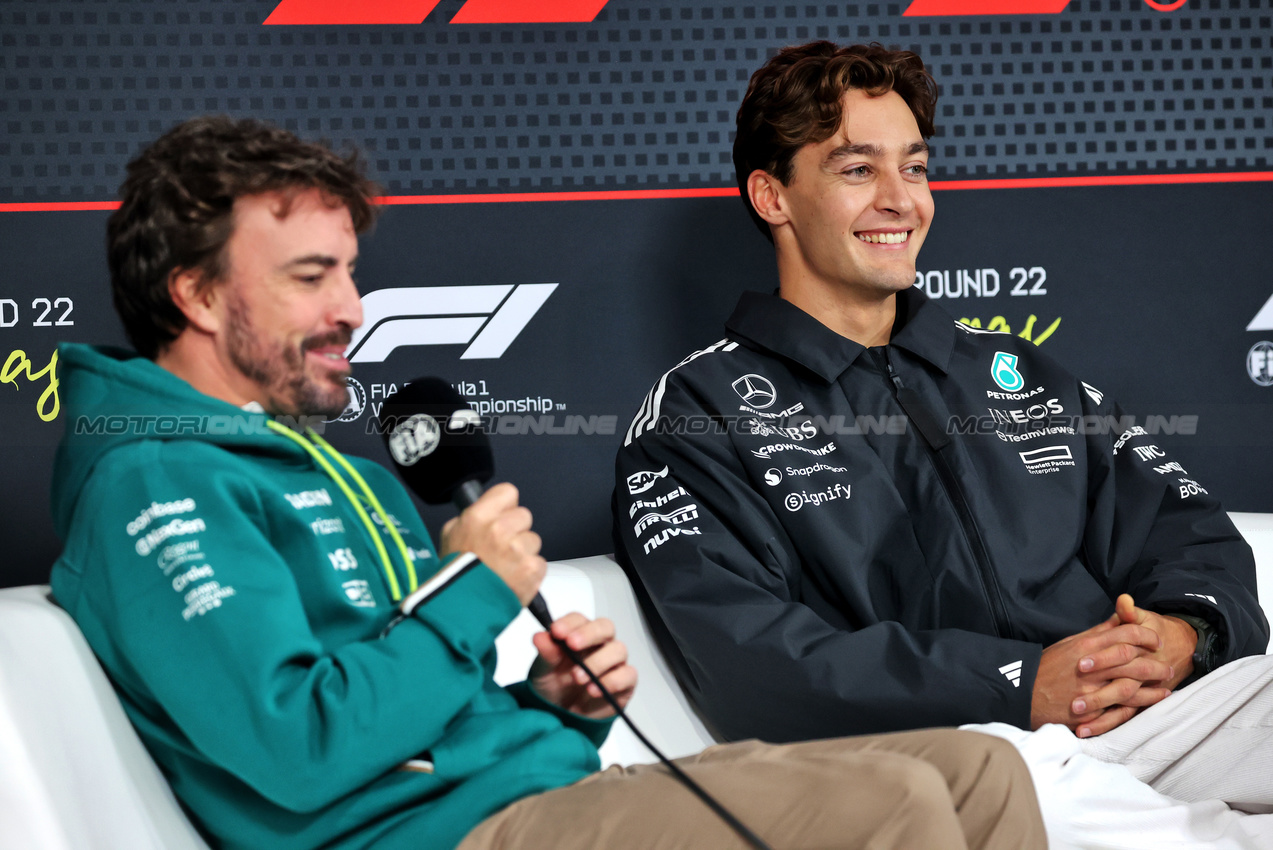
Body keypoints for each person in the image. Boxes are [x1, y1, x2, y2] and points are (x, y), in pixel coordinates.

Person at [48, 115, 1045, 850]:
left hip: (530, 794)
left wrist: (551, 700)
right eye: (310, 276)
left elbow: (422, 707)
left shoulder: (335, 462)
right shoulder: (152, 485)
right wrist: (473, 589)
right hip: (444, 839)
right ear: (196, 293)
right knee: (896, 809)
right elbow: (298, 746)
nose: (353, 307)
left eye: (349, 273)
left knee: (982, 770)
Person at [612, 40, 1273, 835]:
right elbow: (749, 658)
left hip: (1134, 719)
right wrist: (1015, 680)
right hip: (946, 759)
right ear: (772, 196)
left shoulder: (1017, 372)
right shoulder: (699, 411)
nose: (901, 200)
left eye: (915, 168)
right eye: (857, 170)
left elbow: (1186, 529)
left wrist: (1182, 634)